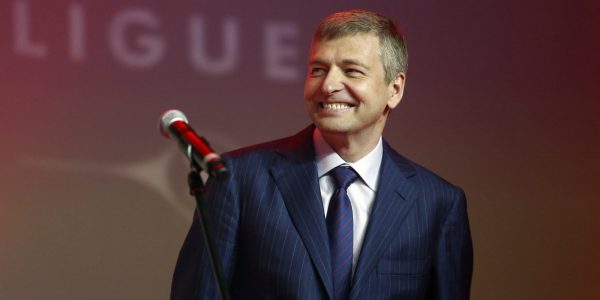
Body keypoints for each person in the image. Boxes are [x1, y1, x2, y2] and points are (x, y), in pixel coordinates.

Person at [171, 9, 473, 300]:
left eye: (352, 71)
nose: (328, 85)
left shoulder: (437, 204)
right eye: (318, 70)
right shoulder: (238, 179)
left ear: (395, 89)